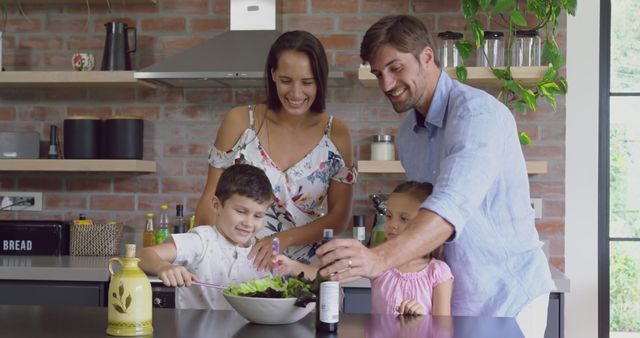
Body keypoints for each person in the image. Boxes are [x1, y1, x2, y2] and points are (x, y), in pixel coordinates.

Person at [315, 15, 554, 338]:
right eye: (378, 73)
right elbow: (422, 220)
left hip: (505, 299)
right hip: (454, 303)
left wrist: (378, 258)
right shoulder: (408, 136)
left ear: (427, 57)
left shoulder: (477, 116)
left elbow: (449, 207)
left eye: (396, 68)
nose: (386, 84)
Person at [195, 30, 356, 271]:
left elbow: (340, 216)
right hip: (239, 265)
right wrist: (205, 257)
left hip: (306, 272)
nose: (296, 93)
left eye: (307, 82)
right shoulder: (240, 122)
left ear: (320, 80)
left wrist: (281, 239)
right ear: (273, 75)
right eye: (286, 80)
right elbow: (211, 201)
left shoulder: (336, 133)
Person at [274, 181, 453, 317]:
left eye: (404, 219)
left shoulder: (438, 272)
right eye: (389, 216)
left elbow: (443, 328)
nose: (392, 225)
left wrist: (421, 318)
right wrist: (292, 266)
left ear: (425, 226)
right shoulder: (377, 264)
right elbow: (329, 274)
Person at [138, 164, 273, 309]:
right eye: (241, 211)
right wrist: (163, 266)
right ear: (216, 205)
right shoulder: (200, 241)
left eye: (258, 216)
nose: (248, 223)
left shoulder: (261, 252)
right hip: (197, 331)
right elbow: (141, 255)